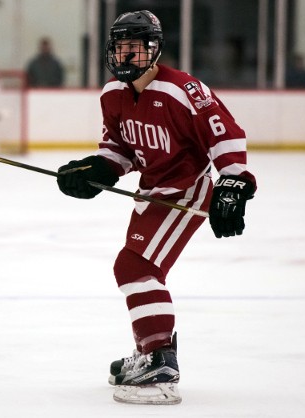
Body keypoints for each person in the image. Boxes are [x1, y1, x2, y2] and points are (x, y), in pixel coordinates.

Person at [56, 10, 257, 405]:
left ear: (154, 49)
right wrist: (94, 171)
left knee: (136, 267)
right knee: (137, 267)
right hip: (152, 192)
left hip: (186, 190)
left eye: (135, 47)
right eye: (120, 47)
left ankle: (159, 361)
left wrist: (233, 183)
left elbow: (226, 137)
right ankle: (151, 351)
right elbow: (119, 150)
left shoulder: (184, 90)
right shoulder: (111, 94)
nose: (126, 55)